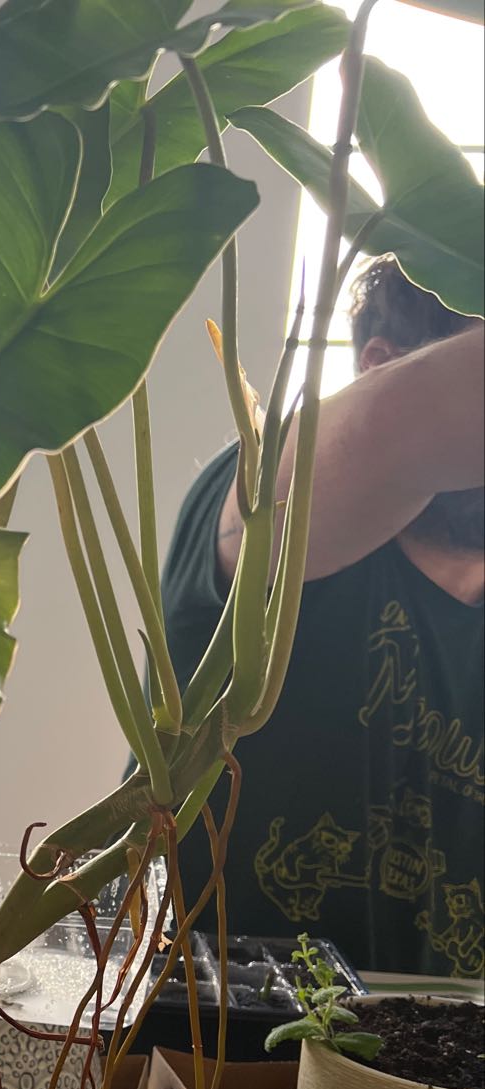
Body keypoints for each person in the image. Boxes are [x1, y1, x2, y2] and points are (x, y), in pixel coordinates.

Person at [162, 257, 483, 978]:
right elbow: (398, 421)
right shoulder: (269, 507)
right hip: (206, 1059)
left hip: (441, 1077)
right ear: (381, 366)